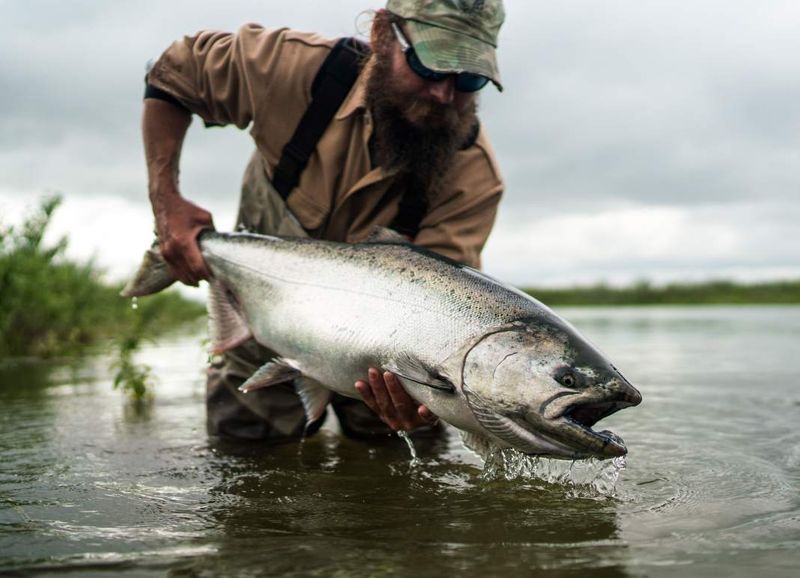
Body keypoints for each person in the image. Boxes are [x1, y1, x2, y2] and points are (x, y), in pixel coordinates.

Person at [142, 0, 506, 443]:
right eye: (431, 66)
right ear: (382, 36)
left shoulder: (474, 174)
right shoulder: (293, 69)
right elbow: (174, 72)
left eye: (469, 78)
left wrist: (430, 406)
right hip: (260, 325)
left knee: (405, 483)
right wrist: (167, 203)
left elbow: (445, 319)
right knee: (245, 481)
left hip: (386, 369)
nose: (444, 94)